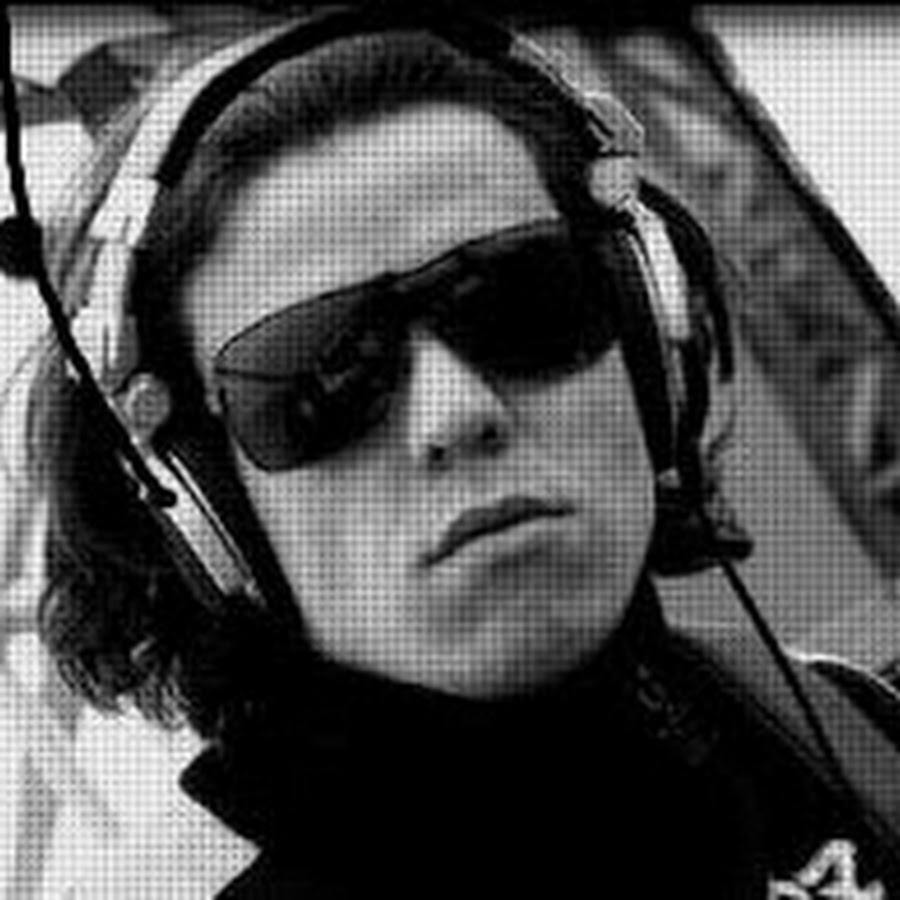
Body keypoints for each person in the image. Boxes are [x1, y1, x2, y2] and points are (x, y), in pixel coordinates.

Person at [18, 6, 900, 897]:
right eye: (325, 373)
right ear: (197, 501)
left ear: (648, 345)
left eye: (523, 301)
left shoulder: (838, 728)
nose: (456, 413)